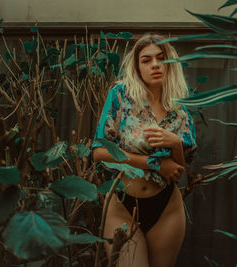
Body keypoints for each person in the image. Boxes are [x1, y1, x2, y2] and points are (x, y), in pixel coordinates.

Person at [92, 33, 197, 267]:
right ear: (137, 67)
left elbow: (179, 171)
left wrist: (176, 143)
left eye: (161, 58)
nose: (155, 65)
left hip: (167, 208)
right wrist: (154, 164)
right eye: (146, 60)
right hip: (122, 205)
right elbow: (99, 152)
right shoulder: (120, 96)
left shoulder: (180, 111)